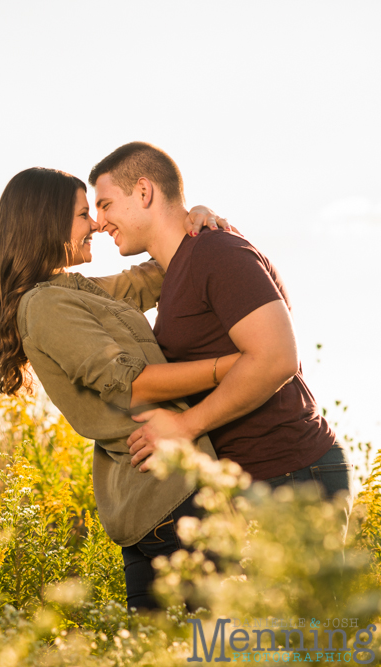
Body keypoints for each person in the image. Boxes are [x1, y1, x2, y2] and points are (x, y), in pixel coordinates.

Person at [0, 167, 233, 612]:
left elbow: (150, 278)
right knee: (220, 645)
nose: (96, 224)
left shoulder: (73, 291)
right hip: (170, 501)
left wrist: (194, 222)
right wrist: (237, 366)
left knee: (164, 655)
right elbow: (132, 386)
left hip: (152, 503)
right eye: (82, 214)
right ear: (47, 223)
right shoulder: (45, 305)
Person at [88, 142, 350, 511]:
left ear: (144, 192)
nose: (98, 223)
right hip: (252, 483)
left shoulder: (216, 251)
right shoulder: (179, 267)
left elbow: (277, 359)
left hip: (292, 475)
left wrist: (185, 426)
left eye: (105, 204)